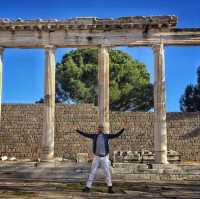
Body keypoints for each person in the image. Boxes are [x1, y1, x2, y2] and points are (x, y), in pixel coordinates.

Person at [76, 122, 128, 193]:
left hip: (104, 157)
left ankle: (110, 188)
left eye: (101, 127)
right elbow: (85, 134)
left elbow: (116, 135)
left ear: (103, 129)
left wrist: (123, 129)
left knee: (107, 172)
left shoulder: (106, 136)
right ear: (97, 129)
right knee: (92, 172)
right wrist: (77, 130)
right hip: (96, 157)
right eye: (99, 127)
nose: (100, 128)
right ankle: (87, 187)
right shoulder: (94, 136)